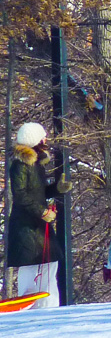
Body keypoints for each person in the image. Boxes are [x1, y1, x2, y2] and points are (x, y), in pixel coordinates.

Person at [8, 122, 71, 308]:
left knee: (50, 267)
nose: (46, 140)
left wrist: (57, 189)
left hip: (39, 227)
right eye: (43, 136)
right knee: (30, 271)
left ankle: (50, 307)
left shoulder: (36, 164)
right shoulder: (20, 165)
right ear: (34, 139)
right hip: (26, 228)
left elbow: (39, 193)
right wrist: (42, 212)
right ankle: (30, 310)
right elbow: (20, 195)